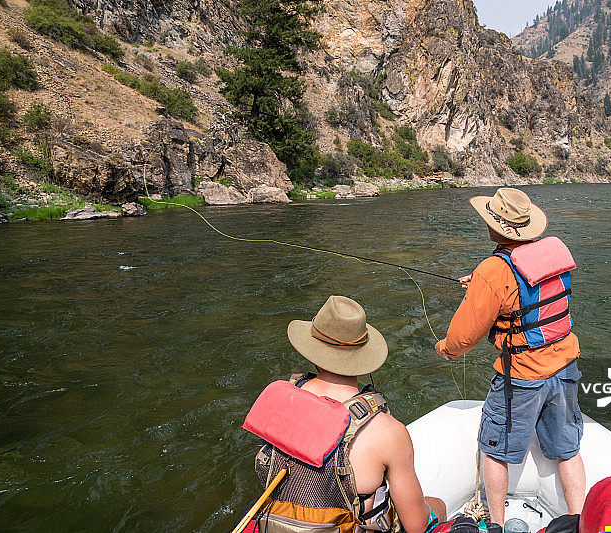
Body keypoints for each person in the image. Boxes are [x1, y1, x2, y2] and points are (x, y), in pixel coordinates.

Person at [434, 188, 585, 524]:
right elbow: (529, 285)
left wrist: (446, 349)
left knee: (495, 450)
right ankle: (578, 522)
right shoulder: (552, 254)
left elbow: (464, 336)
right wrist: (481, 282)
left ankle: (497, 524)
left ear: (495, 227)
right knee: (567, 451)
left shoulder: (493, 271)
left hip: (524, 376)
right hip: (566, 366)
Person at [242, 295, 445, 533]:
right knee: (437, 507)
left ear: (313, 350)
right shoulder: (388, 432)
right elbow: (416, 527)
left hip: (278, 524)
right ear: (364, 357)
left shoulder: (282, 400)